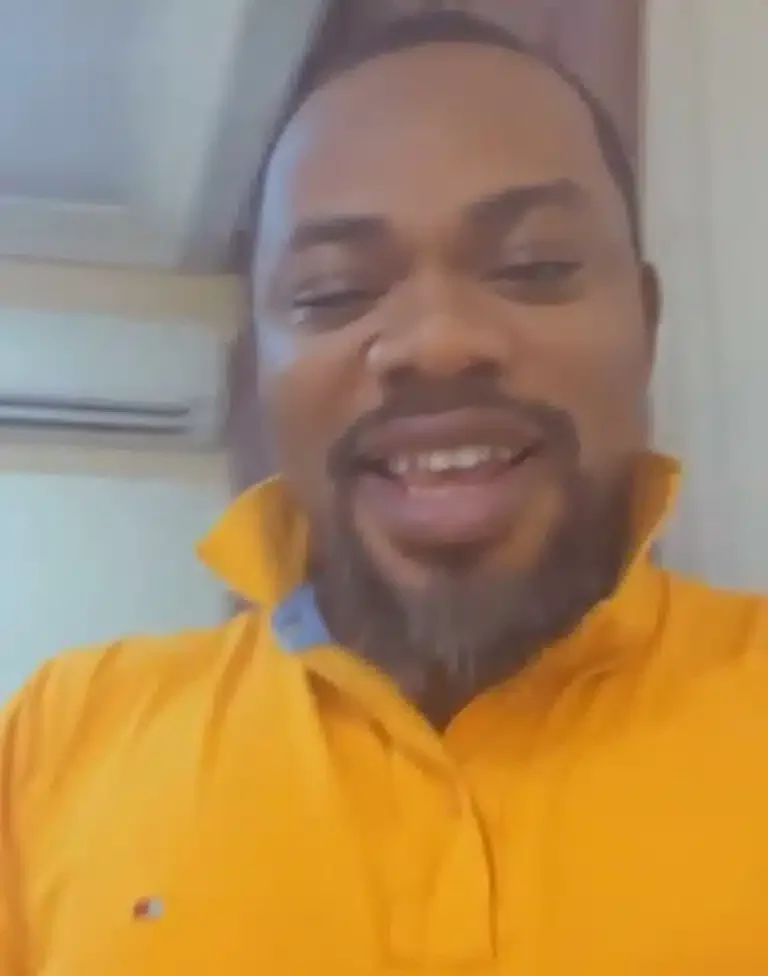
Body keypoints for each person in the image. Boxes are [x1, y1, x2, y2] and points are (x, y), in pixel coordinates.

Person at [1, 10, 766, 975]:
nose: (437, 341)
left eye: (533, 267)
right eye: (333, 293)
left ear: (646, 328)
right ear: (259, 373)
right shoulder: (59, 740)